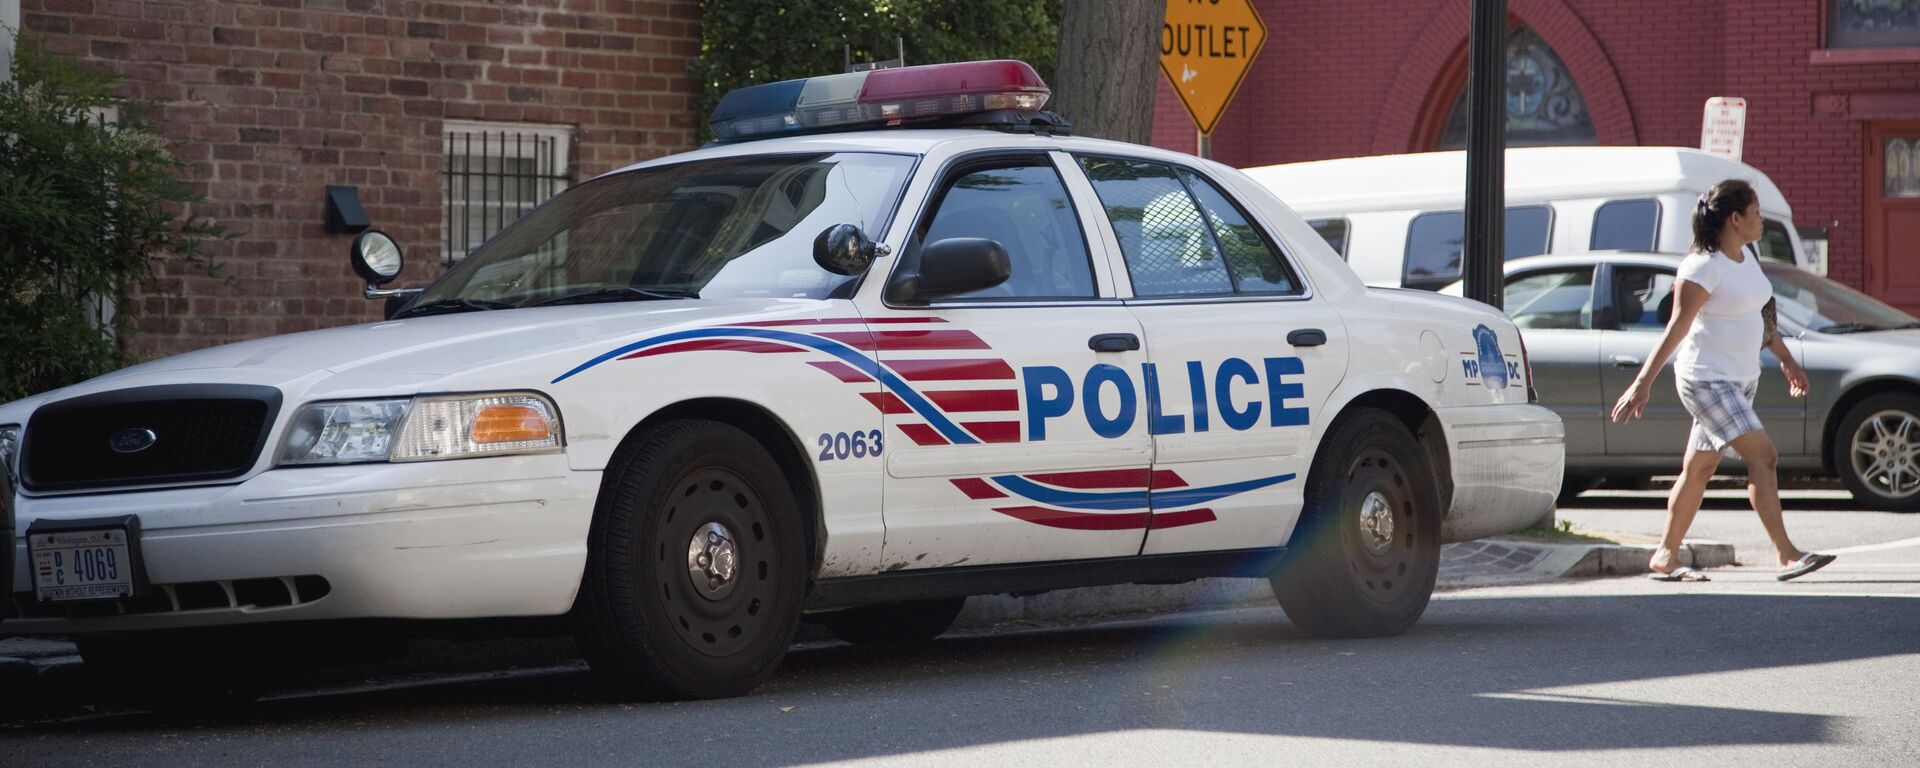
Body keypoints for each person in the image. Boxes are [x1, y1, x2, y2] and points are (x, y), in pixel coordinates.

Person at [1610, 179, 1836, 583]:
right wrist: (1642, 382)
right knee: (1763, 456)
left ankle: (1665, 556)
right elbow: (1676, 329)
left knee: (1698, 469)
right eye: (1756, 213)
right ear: (1735, 219)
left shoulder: (1746, 255)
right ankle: (1787, 554)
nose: (1761, 220)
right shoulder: (1701, 267)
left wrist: (1786, 361)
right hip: (1707, 381)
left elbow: (1762, 318)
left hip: (1741, 378)